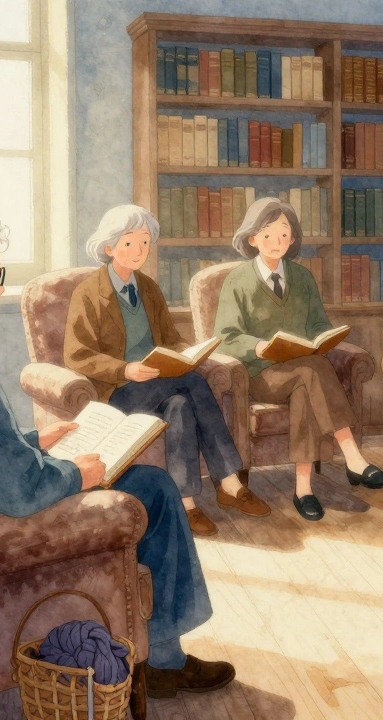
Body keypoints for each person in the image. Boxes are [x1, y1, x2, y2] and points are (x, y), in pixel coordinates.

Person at [0, 216, 234, 698]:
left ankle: (158, 650)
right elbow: (22, 492)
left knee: (139, 478)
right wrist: (77, 473)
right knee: (154, 488)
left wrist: (29, 439)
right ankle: (166, 659)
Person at [65, 204, 260, 538]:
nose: (139, 250)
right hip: (120, 393)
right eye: (129, 243)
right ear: (109, 247)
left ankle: (186, 504)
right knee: (194, 383)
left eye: (144, 242)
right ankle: (228, 481)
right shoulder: (88, 293)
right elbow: (77, 354)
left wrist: (187, 353)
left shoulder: (149, 288)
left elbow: (170, 338)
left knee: (181, 406)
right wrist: (126, 369)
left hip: (162, 386)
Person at [213, 196, 383, 522]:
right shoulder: (237, 281)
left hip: (300, 373)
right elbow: (225, 337)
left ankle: (304, 489)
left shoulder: (304, 278)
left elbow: (318, 325)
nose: (275, 241)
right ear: (252, 238)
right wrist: (259, 347)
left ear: (293, 239)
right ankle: (353, 457)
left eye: (284, 233)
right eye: (267, 233)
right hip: (259, 376)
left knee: (307, 382)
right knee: (313, 372)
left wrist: (325, 338)